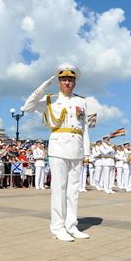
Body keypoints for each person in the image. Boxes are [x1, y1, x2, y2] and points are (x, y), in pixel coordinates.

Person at [23, 63, 90, 242]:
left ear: (75, 83)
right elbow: (28, 107)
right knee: (59, 189)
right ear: (59, 82)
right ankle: (58, 227)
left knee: (73, 190)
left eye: (70, 79)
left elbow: (84, 128)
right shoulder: (50, 99)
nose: (67, 82)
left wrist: (87, 153)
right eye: (64, 79)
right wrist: (44, 86)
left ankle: (71, 225)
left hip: (76, 147)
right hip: (58, 147)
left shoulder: (81, 101)